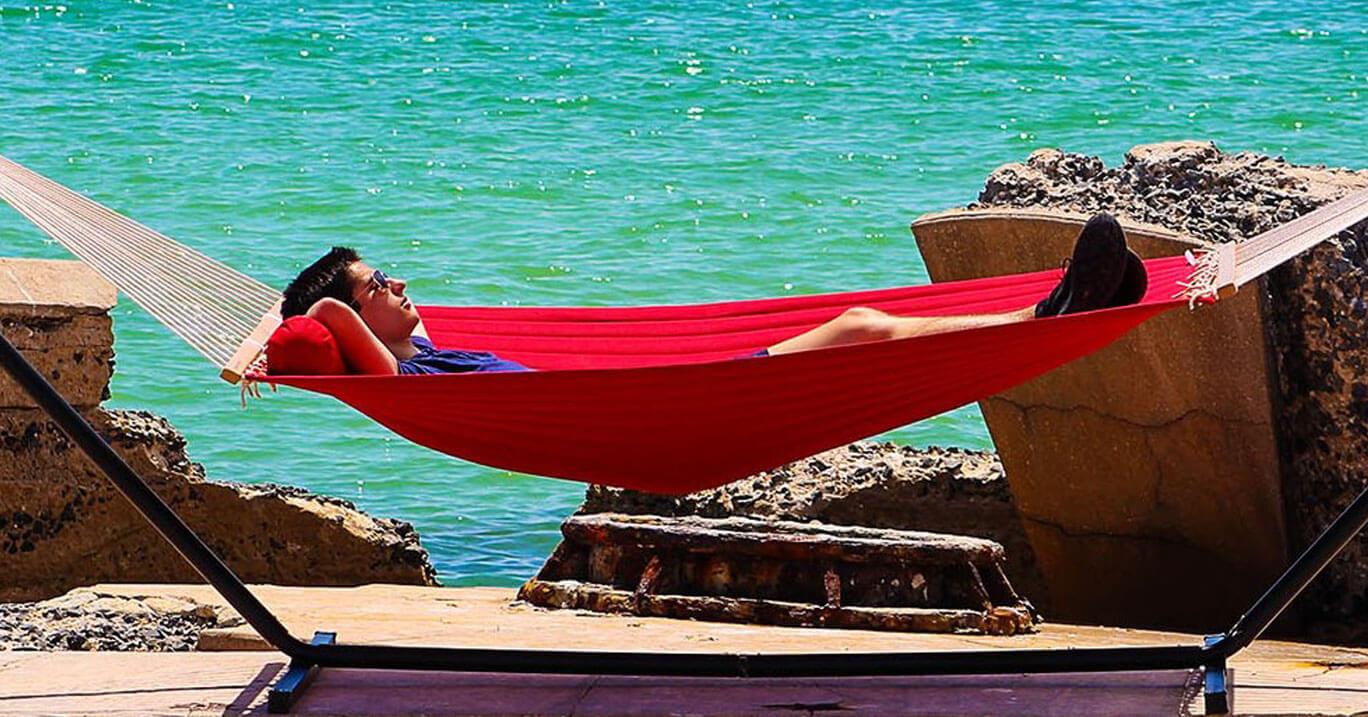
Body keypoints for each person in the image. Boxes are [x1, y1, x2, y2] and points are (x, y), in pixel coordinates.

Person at [279, 213, 1145, 375]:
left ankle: (1061, 306)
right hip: (655, 408)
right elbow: (313, 323)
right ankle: (1048, 314)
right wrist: (297, 329)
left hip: (656, 393)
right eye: (377, 283)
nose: (398, 282)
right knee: (860, 325)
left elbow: (303, 323)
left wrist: (269, 340)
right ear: (353, 317)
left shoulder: (423, 351)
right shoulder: (404, 374)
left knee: (861, 323)